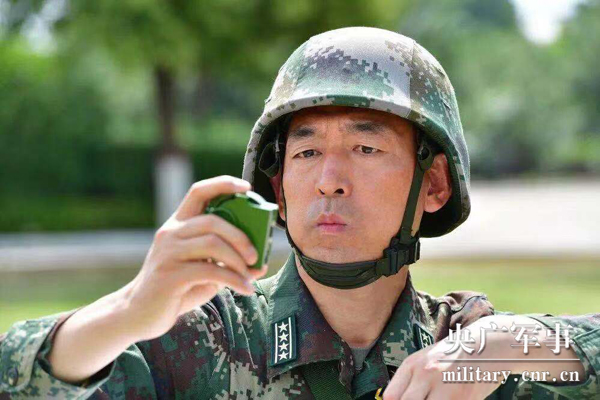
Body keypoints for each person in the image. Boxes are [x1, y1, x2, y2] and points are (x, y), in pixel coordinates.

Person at [0, 27, 598, 400]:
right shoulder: (198, 340)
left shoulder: (464, 351)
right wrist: (130, 311)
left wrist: (511, 344)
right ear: (279, 189)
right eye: (307, 152)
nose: (329, 180)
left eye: (365, 148)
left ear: (434, 184)